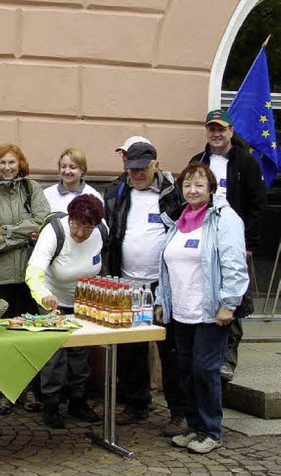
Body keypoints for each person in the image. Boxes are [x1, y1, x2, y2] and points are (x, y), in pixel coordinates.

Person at [155, 162, 249, 454]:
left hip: (211, 312)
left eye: (199, 184)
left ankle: (211, 430)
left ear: (210, 188)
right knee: (185, 369)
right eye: (187, 185)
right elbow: (166, 267)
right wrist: (161, 300)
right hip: (181, 311)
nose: (192, 190)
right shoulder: (178, 220)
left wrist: (228, 304)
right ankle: (194, 426)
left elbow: (235, 265)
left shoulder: (223, 219)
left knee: (205, 371)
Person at [103, 142, 187, 436]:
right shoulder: (117, 192)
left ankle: (179, 412)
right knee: (130, 349)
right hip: (126, 281)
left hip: (161, 284)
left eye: (142, 167)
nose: (136, 173)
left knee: (170, 349)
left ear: (156, 164)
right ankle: (136, 404)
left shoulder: (171, 193)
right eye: (131, 168)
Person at [190, 109, 267, 382]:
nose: (216, 134)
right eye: (212, 129)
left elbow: (258, 205)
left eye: (221, 129)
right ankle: (208, 353)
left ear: (231, 131)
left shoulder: (246, 163)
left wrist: (249, 243)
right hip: (202, 240)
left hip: (234, 241)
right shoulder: (199, 161)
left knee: (233, 300)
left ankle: (228, 359)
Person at [0, 144, 50, 415]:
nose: (7, 168)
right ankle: (4, 393)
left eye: (11, 162)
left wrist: (5, 231)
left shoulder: (32, 189)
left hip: (31, 276)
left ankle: (30, 390)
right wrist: (23, 235)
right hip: (1, 277)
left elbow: (43, 220)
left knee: (30, 336)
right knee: (3, 337)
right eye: (2, 163)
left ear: (20, 163)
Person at [26, 194, 105, 428]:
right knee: (55, 352)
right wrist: (44, 296)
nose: (80, 233)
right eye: (77, 225)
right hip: (51, 297)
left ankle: (77, 400)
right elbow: (33, 273)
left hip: (82, 300)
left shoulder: (102, 233)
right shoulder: (55, 232)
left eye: (87, 228)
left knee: (80, 351)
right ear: (70, 219)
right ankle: (51, 403)